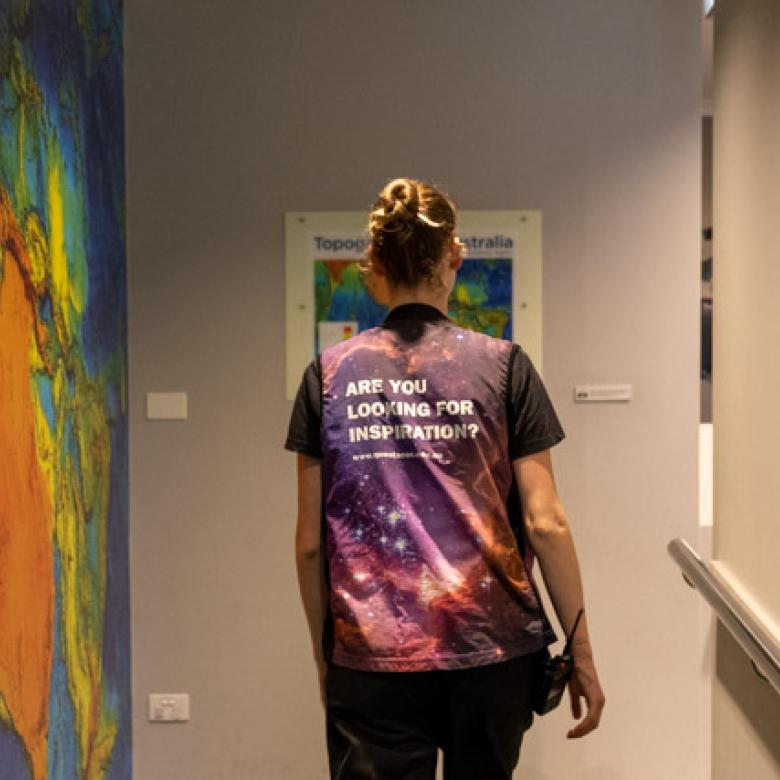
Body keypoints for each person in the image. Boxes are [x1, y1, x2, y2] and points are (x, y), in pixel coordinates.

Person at [285, 178, 605, 779]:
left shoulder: (326, 376)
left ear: (373, 265)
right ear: (454, 257)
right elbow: (545, 522)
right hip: (491, 651)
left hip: (371, 655)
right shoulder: (505, 366)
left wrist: (325, 654)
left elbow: (309, 544)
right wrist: (580, 649)